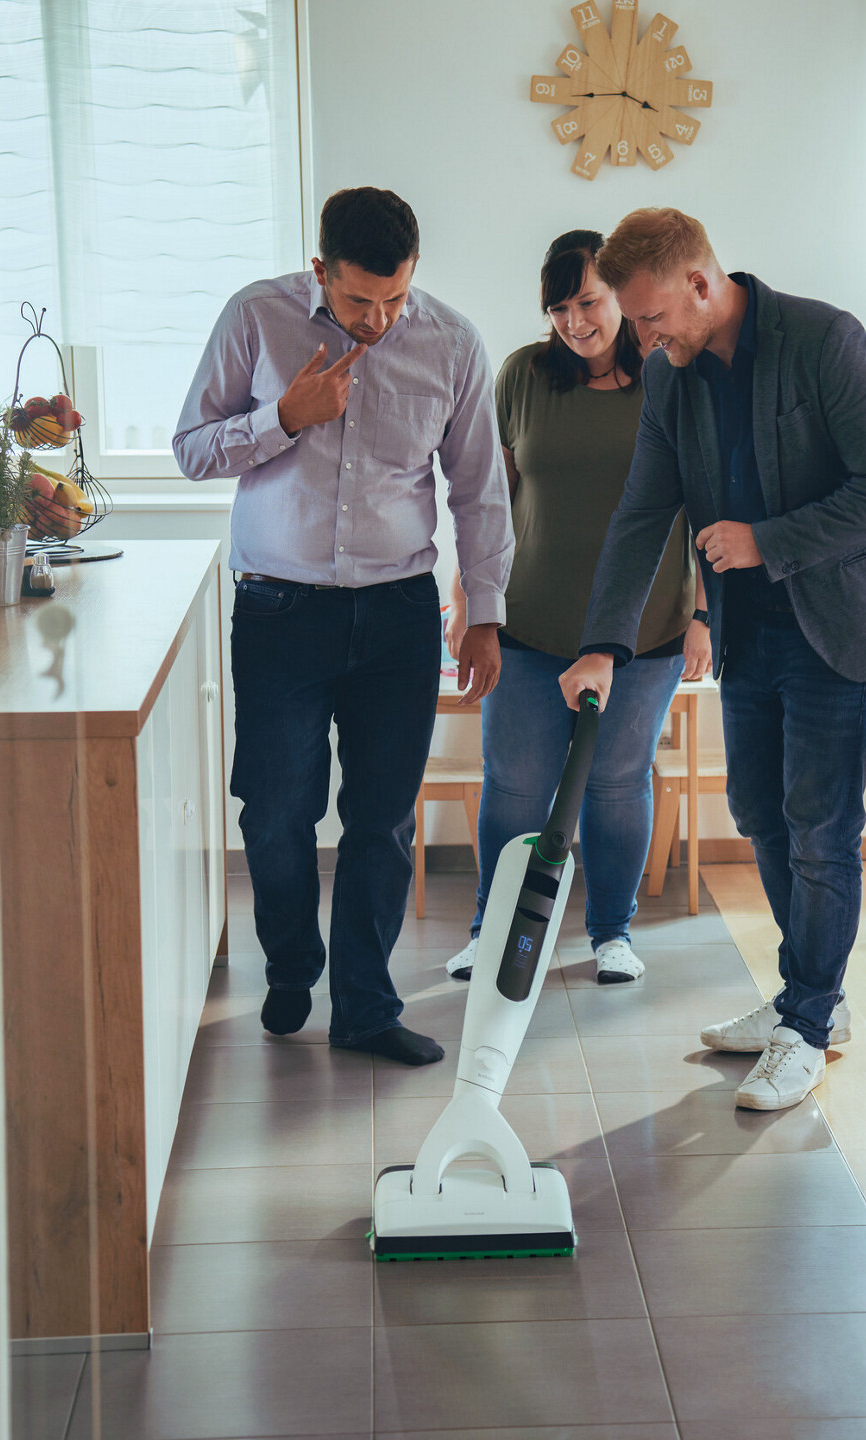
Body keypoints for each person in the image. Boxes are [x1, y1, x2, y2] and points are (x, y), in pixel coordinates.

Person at [558, 208, 866, 1110]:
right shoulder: (671, 377)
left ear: (701, 282)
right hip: (754, 631)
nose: (641, 339)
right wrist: (601, 644)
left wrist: (767, 541)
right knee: (759, 815)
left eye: (651, 319)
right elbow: (642, 514)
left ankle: (807, 1023)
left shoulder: (824, 339)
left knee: (819, 825)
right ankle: (812, 998)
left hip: (845, 625)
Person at [173, 187, 513, 1067]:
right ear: (319, 268)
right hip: (281, 611)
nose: (379, 318)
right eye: (361, 299)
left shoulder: (452, 342)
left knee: (382, 819)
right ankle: (292, 965)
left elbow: (479, 489)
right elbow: (191, 449)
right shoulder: (255, 317)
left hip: (400, 614)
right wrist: (283, 418)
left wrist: (486, 613)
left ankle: (365, 1006)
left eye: (395, 298)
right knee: (277, 811)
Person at [441, 230, 711, 988]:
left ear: (620, 298)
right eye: (558, 307)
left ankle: (611, 933)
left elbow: (707, 500)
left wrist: (704, 617)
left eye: (587, 301)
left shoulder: (672, 376)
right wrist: (468, 597)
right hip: (531, 623)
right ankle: (491, 933)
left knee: (618, 781)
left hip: (644, 629)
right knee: (517, 784)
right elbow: (487, 498)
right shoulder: (524, 375)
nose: (574, 321)